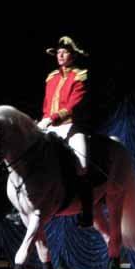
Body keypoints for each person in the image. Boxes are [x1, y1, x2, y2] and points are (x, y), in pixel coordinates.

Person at [40, 35, 93, 227]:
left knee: (82, 164)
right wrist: (44, 120)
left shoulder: (79, 75)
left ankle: (87, 210)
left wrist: (52, 118)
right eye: (59, 53)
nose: (60, 56)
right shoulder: (51, 78)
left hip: (72, 125)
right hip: (50, 125)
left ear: (72, 55)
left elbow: (73, 105)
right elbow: (47, 104)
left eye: (64, 52)